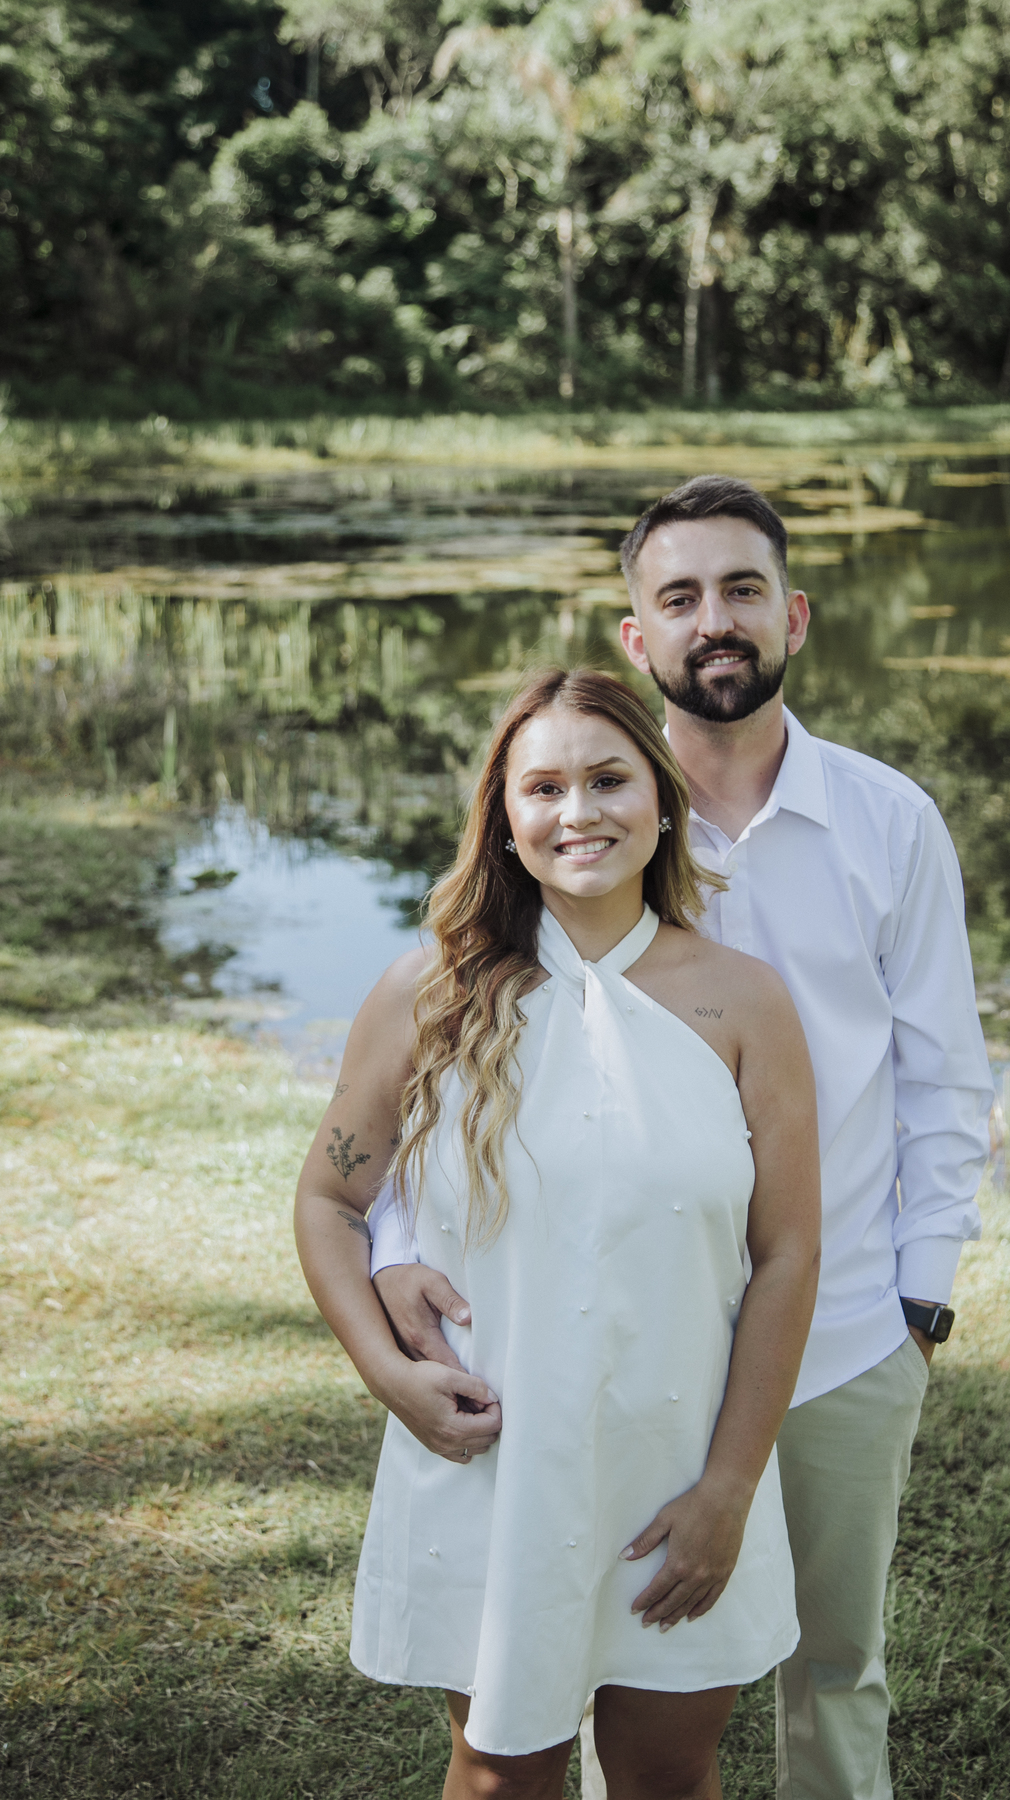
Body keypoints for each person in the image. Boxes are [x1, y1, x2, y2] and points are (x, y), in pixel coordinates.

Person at [371, 479, 994, 1800]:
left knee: (835, 1659)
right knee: (608, 1655)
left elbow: (945, 1075)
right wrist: (395, 1250)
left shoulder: (891, 822)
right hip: (609, 1338)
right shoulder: (582, 806)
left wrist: (920, 1302)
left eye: (743, 590)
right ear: (637, 633)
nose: (716, 620)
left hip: (837, 1332)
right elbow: (455, 1067)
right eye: (682, 596)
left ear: (794, 616)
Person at [295, 667, 822, 1800]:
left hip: (679, 1462)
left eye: (608, 779)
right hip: (495, 1460)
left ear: (662, 798)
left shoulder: (746, 1003)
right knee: (499, 1774)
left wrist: (731, 1486)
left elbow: (787, 1257)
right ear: (504, 818)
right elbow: (330, 1201)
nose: (577, 812)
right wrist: (389, 1373)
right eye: (543, 788)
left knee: (668, 1773)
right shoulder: (427, 994)